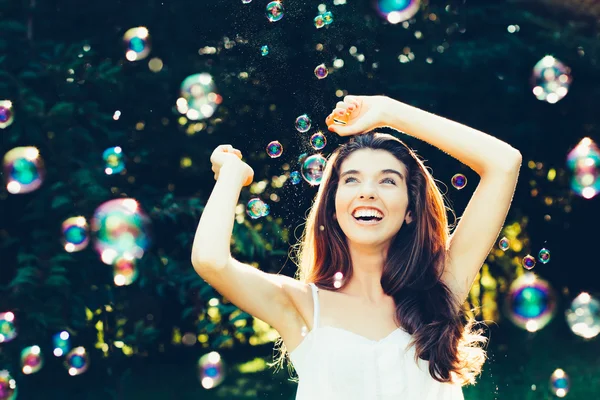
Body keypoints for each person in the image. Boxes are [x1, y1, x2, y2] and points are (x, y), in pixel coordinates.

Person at [191, 95, 522, 399]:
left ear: (410, 209)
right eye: (351, 179)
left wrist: (387, 112)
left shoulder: (439, 287)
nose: (367, 191)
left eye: (388, 180)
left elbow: (504, 163)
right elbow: (210, 261)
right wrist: (232, 175)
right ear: (333, 205)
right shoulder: (302, 305)